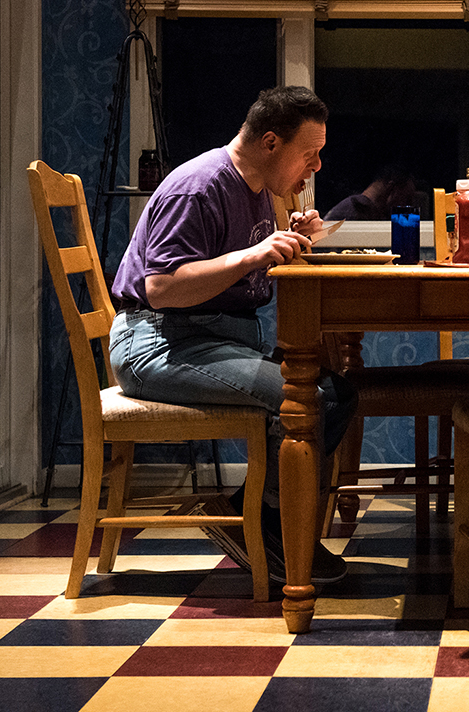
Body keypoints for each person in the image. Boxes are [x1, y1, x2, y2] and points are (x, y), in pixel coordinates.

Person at [108, 85, 357, 586]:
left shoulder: (261, 190)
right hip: (160, 341)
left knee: (338, 391)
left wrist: (293, 238)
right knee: (313, 397)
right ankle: (269, 529)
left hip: (211, 339)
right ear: (271, 143)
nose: (316, 167)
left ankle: (260, 519)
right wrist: (255, 253)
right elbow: (160, 289)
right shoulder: (198, 187)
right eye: (309, 155)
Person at [323, 164, 419, 220]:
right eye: (406, 197)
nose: (405, 204)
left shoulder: (356, 206)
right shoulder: (357, 209)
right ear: (392, 188)